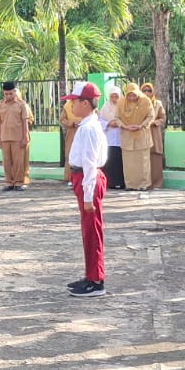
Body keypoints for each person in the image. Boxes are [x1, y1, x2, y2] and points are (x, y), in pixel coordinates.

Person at [63, 81, 110, 297]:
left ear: (85, 103)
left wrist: (89, 195)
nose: (70, 105)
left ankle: (96, 280)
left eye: (73, 101)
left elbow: (90, 163)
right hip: (82, 179)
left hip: (87, 179)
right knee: (88, 231)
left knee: (92, 232)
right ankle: (91, 274)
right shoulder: (87, 125)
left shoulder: (89, 128)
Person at [0, 82, 34, 191]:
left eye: (11, 93)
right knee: (6, 162)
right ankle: (9, 182)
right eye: (6, 94)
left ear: (14, 92)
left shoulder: (21, 104)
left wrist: (25, 137)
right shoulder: (0, 105)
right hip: (4, 137)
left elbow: (25, 122)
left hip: (18, 137)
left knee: (18, 161)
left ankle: (18, 182)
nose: (8, 96)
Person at [119, 83, 157, 191]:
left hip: (142, 135)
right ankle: (129, 184)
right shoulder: (121, 103)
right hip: (127, 135)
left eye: (134, 95)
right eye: (129, 95)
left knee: (143, 162)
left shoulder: (145, 101)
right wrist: (125, 126)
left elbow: (151, 116)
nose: (131, 98)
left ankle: (143, 184)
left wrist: (141, 125)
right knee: (128, 163)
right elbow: (116, 118)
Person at [143, 82, 167, 189]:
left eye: (149, 90)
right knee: (144, 159)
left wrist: (154, 122)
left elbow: (163, 118)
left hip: (154, 132)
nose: (146, 92)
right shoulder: (138, 104)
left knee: (155, 159)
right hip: (142, 132)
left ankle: (157, 184)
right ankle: (145, 183)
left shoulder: (158, 103)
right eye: (144, 90)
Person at [101, 90, 126, 189]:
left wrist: (119, 123)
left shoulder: (124, 106)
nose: (114, 99)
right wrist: (108, 123)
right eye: (112, 96)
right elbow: (100, 119)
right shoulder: (105, 107)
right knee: (110, 159)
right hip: (109, 137)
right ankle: (110, 182)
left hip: (121, 135)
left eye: (117, 96)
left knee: (120, 160)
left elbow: (128, 118)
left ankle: (121, 182)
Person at [61, 99, 83, 165]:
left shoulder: (87, 102)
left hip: (85, 131)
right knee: (69, 156)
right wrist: (71, 123)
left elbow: (96, 115)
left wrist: (83, 122)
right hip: (72, 132)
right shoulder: (68, 105)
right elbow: (62, 119)